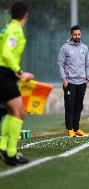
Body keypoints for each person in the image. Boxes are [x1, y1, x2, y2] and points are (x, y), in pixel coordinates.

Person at [0, 1, 34, 165]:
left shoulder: (9, 27)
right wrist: (19, 72)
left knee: (12, 111)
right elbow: (6, 52)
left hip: (6, 73)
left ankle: (3, 148)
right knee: (18, 111)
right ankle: (11, 153)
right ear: (25, 15)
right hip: (4, 73)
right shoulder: (15, 30)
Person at [57, 25, 89, 137]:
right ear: (71, 35)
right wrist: (64, 79)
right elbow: (60, 64)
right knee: (70, 106)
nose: (77, 36)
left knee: (78, 106)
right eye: (75, 34)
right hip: (70, 82)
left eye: (79, 34)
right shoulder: (65, 48)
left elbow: (87, 64)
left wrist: (87, 77)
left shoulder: (84, 48)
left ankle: (76, 129)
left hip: (82, 82)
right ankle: (69, 129)